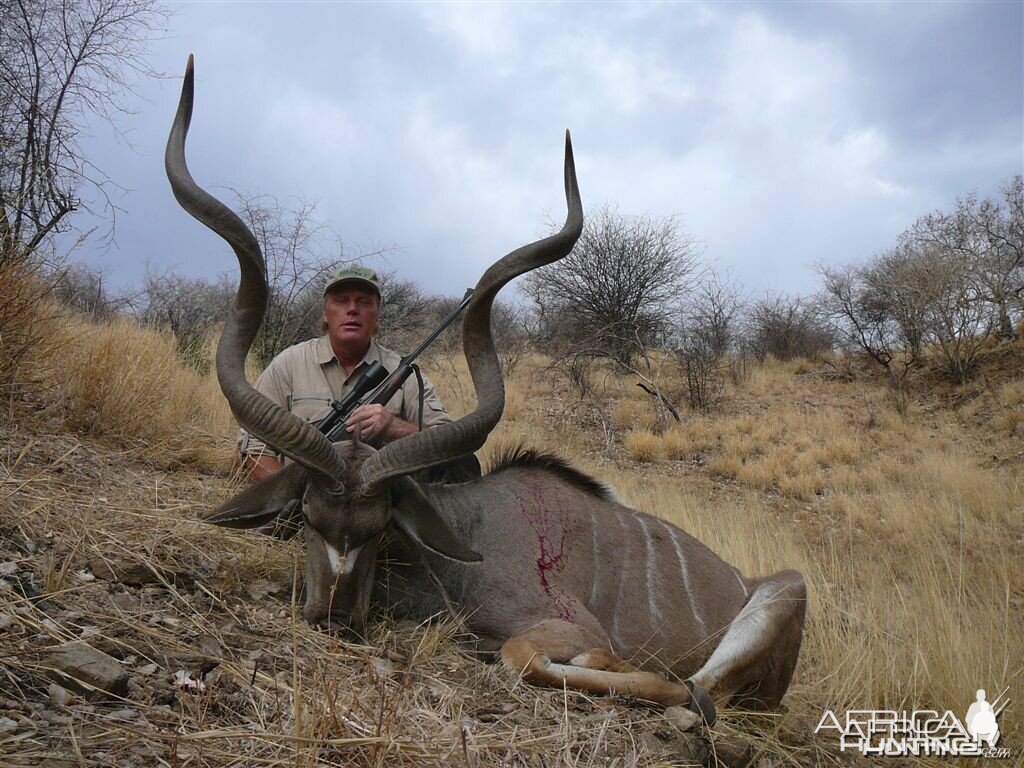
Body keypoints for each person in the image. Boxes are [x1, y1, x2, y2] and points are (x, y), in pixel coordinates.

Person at [238, 263, 479, 484]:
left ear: (377, 314)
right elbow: (256, 447)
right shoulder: (289, 364)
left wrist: (395, 427)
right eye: (342, 300)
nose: (352, 309)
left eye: (364, 302)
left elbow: (449, 442)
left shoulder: (401, 373)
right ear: (325, 312)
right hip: (309, 501)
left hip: (382, 504)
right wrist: (290, 497)